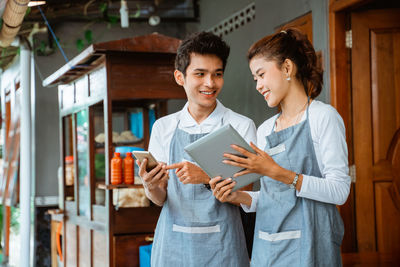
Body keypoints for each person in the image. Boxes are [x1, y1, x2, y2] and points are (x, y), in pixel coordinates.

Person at [210, 28, 351, 266]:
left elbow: (339, 190)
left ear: (287, 68)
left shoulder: (323, 117)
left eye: (262, 74)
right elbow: (273, 198)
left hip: (312, 247)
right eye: (255, 79)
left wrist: (278, 172)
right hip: (268, 247)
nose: (258, 85)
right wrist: (239, 197)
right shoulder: (265, 129)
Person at [137, 31, 256, 267]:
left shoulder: (241, 126)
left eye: (217, 74)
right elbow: (160, 199)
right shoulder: (164, 127)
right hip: (173, 244)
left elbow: (248, 193)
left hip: (224, 245)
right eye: (200, 74)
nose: (210, 83)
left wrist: (205, 175)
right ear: (180, 77)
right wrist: (150, 186)